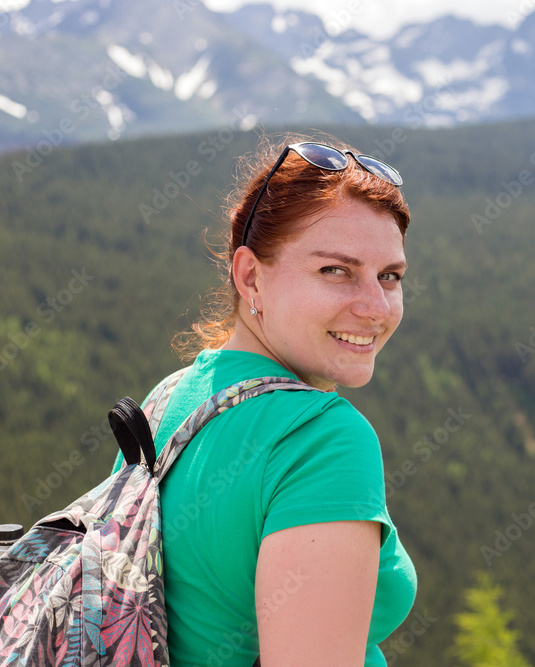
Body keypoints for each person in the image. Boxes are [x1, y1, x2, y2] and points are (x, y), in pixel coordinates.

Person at [111, 134, 417, 666]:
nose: (376, 307)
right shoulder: (322, 442)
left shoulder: (166, 403)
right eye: (335, 270)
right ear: (250, 275)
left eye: (389, 276)